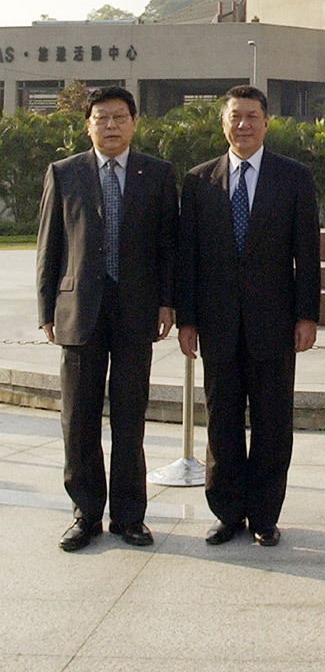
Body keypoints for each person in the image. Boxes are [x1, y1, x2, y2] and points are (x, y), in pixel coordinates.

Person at [176, 85, 320, 546]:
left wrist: (306, 316)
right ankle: (227, 512)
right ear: (223, 123)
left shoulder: (294, 178)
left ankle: (264, 516)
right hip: (217, 326)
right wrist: (187, 320)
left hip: (274, 324)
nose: (244, 124)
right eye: (235, 116)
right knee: (222, 422)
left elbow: (308, 256)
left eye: (253, 116)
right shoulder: (199, 181)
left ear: (266, 122)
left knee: (273, 422)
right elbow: (189, 259)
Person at [36, 86, 178, 551]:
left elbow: (167, 248)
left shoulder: (157, 174)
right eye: (102, 118)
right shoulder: (64, 173)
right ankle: (85, 514)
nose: (111, 125)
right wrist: (46, 310)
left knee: (130, 419)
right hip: (80, 312)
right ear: (88, 125)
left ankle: (130, 517)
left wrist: (166, 301)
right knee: (78, 418)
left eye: (120, 117)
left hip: (136, 312)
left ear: (135, 123)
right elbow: (49, 247)